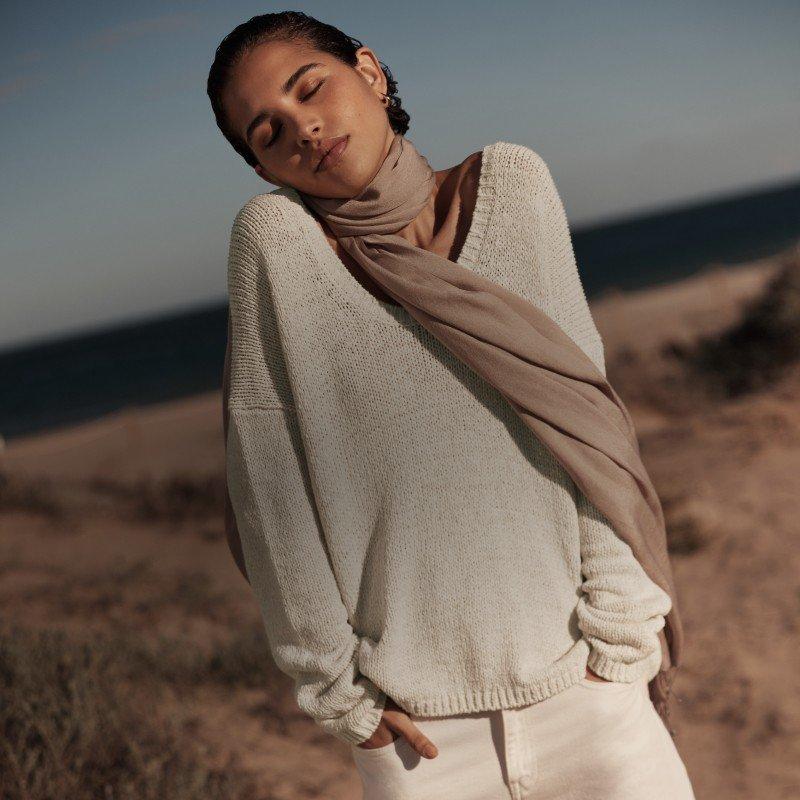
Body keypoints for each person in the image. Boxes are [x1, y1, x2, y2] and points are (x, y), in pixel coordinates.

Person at [207, 11, 696, 799]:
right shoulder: (276, 246)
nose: (304, 127)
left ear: (368, 71)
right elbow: (269, 494)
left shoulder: (510, 184)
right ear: (266, 168)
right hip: (423, 745)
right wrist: (340, 699)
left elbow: (588, 426)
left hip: (591, 697)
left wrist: (619, 646)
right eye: (269, 132)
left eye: (311, 89)